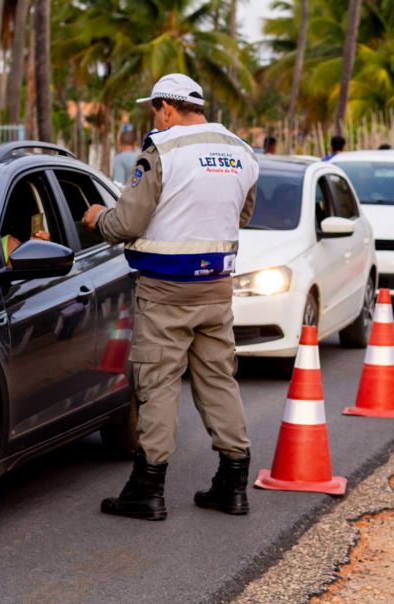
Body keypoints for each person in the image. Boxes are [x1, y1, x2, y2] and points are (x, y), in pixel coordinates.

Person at [81, 73, 259, 521]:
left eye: (153, 111)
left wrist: (99, 217)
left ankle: (148, 489)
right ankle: (233, 482)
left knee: (158, 383)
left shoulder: (161, 151)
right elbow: (244, 211)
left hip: (165, 291)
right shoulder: (240, 149)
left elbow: (127, 224)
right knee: (219, 379)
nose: (153, 119)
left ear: (166, 108)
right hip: (216, 288)